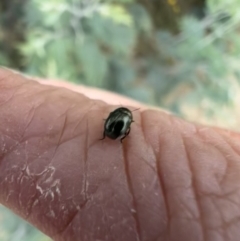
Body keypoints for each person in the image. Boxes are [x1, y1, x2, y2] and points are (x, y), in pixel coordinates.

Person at [0, 67, 239, 241]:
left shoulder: (121, 116)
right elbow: (124, 126)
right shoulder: (127, 118)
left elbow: (118, 123)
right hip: (112, 132)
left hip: (110, 131)